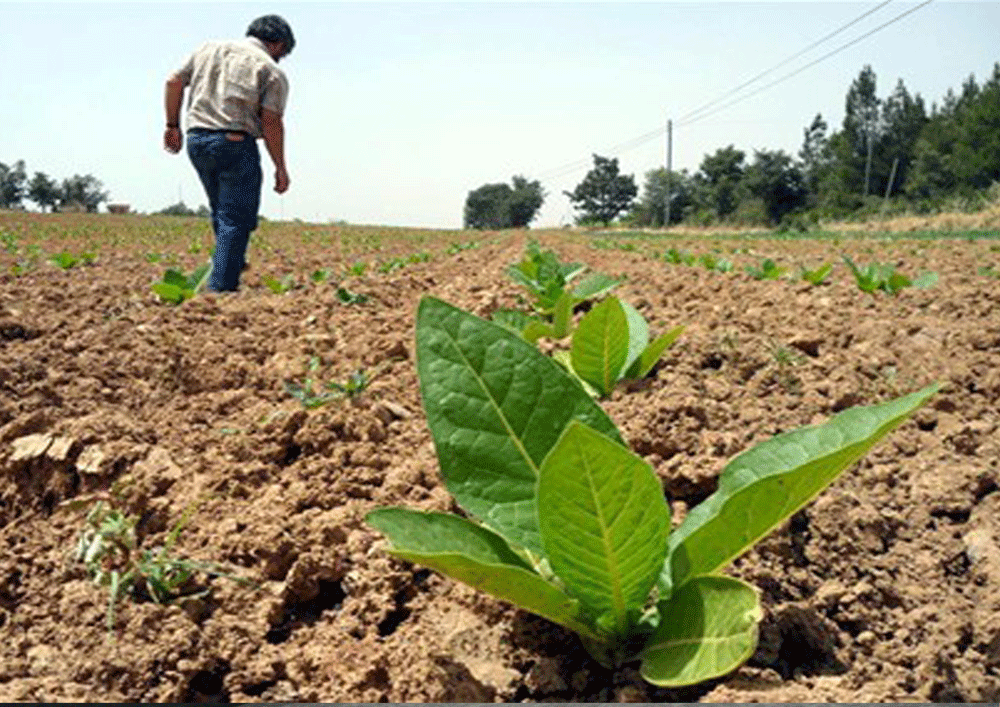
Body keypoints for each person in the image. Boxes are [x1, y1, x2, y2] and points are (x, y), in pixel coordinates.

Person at [163, 15, 294, 292]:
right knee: (236, 218)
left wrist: (172, 125)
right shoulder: (270, 70)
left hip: (197, 140)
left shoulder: (207, 49)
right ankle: (220, 289)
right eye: (283, 53)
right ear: (278, 44)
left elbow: (174, 82)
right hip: (235, 142)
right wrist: (280, 166)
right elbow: (271, 122)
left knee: (222, 213)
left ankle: (229, 264)